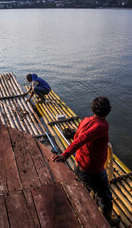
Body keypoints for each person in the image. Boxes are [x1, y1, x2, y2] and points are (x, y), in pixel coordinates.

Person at [51, 97, 120, 227]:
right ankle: (106, 223)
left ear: (93, 109)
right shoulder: (102, 125)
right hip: (93, 170)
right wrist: (65, 155)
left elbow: (77, 136)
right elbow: (82, 138)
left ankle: (80, 212)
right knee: (105, 198)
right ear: (108, 111)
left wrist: (69, 154)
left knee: (84, 190)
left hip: (79, 164)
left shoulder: (86, 120)